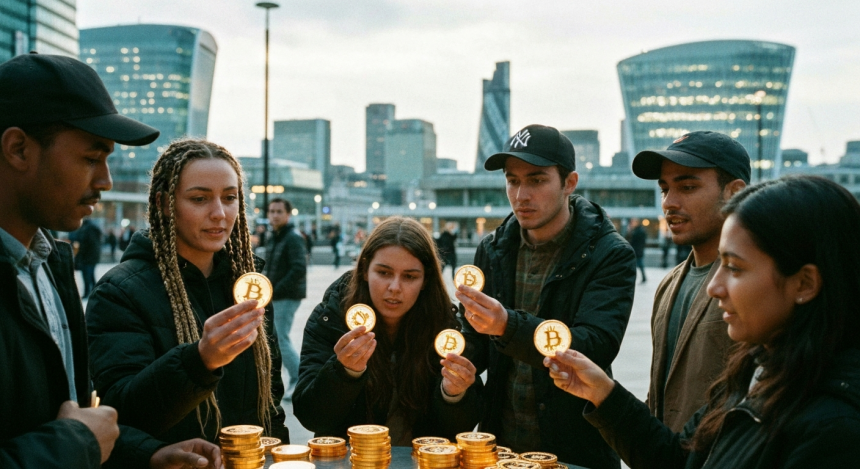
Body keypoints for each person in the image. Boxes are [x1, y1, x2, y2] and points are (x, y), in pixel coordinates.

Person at [545, 175, 860, 468]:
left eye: (734, 267)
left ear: (804, 284)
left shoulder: (834, 430)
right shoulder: (753, 372)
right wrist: (603, 393)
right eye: (719, 263)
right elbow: (677, 459)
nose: (714, 287)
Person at [0, 53, 221, 469]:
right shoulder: (114, 288)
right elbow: (77, 434)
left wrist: (144, 453)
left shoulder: (47, 267)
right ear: (18, 149)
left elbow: (74, 418)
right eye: (91, 158)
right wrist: (77, 444)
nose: (106, 180)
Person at [86, 139, 290, 445]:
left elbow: (269, 402)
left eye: (230, 197)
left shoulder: (248, 285)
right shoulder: (119, 293)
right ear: (163, 203)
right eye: (199, 199)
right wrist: (199, 361)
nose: (219, 213)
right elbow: (120, 414)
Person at [457, 124, 637, 469]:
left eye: (537, 180)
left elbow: (595, 344)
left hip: (575, 450)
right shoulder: (493, 248)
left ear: (569, 183)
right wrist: (453, 357)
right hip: (501, 449)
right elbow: (476, 342)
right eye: (512, 180)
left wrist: (508, 325)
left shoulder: (608, 254)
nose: (521, 195)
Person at [294, 217, 482, 443]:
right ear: (365, 270)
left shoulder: (447, 328)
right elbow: (310, 416)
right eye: (384, 273)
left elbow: (462, 426)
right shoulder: (331, 319)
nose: (394, 287)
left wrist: (453, 395)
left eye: (409, 276)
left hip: (423, 458)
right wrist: (344, 373)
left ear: (425, 280)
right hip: (350, 457)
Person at [631, 131, 748, 432]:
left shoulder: (754, 285)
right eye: (664, 189)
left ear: (734, 192)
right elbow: (659, 398)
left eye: (687, 187)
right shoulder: (669, 284)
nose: (669, 203)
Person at [264, 198, 307, 401]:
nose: (275, 215)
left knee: (280, 338)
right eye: (272, 211)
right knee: (276, 337)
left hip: (286, 296)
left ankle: (298, 378)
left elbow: (299, 268)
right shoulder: (275, 236)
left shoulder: (292, 237)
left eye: (279, 211)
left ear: (288, 214)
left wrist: (275, 289)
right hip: (276, 295)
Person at [70, 217, 102, 297]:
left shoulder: (86, 229)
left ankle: (89, 292)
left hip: (87, 258)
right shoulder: (93, 229)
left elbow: (84, 244)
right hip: (92, 257)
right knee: (90, 275)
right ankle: (95, 292)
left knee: (87, 276)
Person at [625, 218, 647, 283]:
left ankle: (642, 277)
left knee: (637, 264)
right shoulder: (637, 230)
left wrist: (630, 232)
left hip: (637, 251)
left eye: (633, 222)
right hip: (637, 250)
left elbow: (632, 240)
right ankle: (643, 277)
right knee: (638, 264)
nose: (632, 224)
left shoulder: (638, 231)